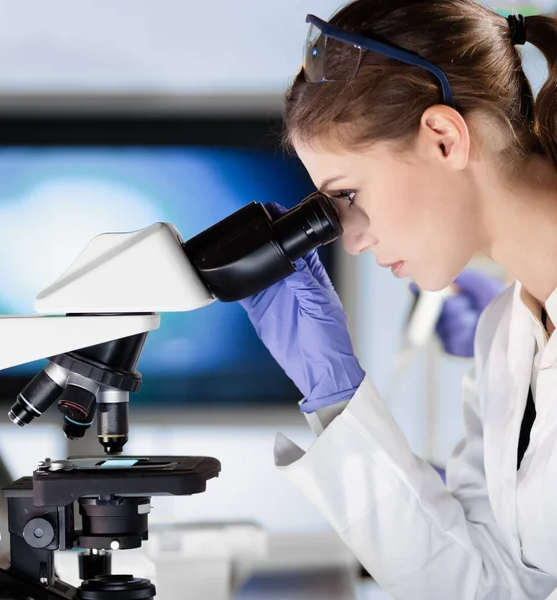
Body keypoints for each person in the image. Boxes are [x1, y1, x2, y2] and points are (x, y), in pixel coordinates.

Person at [239, 1, 557, 598]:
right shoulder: (505, 336)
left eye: (350, 192)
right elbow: (486, 584)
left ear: (443, 138)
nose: (352, 240)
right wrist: (336, 394)